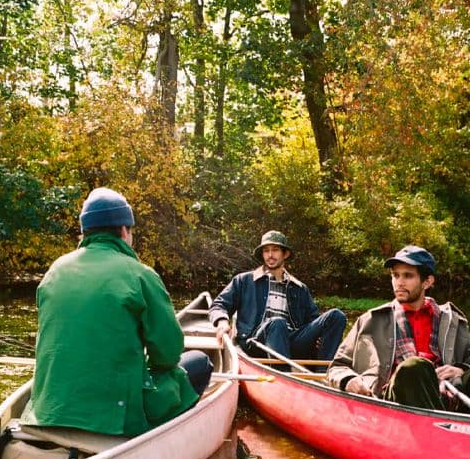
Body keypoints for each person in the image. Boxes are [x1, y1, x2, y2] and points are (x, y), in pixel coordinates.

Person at [20, 187, 212, 437]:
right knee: (199, 362)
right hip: (116, 415)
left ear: (84, 233)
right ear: (124, 231)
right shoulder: (140, 274)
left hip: (49, 409)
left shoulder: (55, 271)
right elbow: (168, 354)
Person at [326, 245, 470, 419]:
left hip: (452, 397)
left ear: (427, 282)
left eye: (408, 276)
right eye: (395, 275)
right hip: (398, 400)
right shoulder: (372, 320)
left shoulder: (452, 320)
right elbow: (337, 367)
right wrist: (348, 380)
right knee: (415, 367)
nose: (399, 282)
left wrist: (460, 370)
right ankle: (436, 438)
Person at [209, 230, 346, 369]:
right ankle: (284, 375)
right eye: (266, 251)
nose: (270, 255)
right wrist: (222, 322)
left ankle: (324, 373)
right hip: (255, 342)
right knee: (277, 323)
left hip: (292, 342)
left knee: (336, 316)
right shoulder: (244, 281)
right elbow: (219, 305)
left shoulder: (299, 288)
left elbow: (313, 320)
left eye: (275, 250)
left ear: (285, 254)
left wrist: (320, 337)